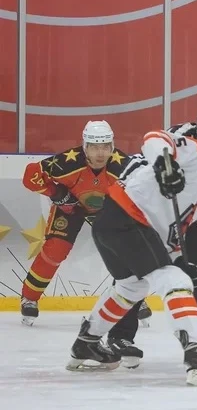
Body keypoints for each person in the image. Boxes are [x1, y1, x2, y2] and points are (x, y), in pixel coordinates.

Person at [66, 127, 197, 385]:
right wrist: (164, 164)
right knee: (174, 281)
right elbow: (155, 137)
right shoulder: (196, 151)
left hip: (111, 223)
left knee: (132, 287)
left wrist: (180, 261)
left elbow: (168, 237)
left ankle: (86, 343)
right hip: (128, 219)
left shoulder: (192, 200)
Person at [106, 102, 197, 367]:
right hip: (148, 214)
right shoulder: (178, 137)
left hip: (182, 219)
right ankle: (119, 336)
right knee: (135, 273)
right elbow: (164, 177)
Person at [19, 120, 153, 326]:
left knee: (124, 251)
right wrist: (57, 193)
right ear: (85, 147)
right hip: (70, 207)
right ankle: (29, 297)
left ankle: (132, 298)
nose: (101, 153)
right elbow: (31, 175)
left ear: (112, 146)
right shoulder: (67, 162)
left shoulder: (124, 167)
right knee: (55, 250)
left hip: (108, 210)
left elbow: (145, 192)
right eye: (95, 147)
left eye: (106, 147)